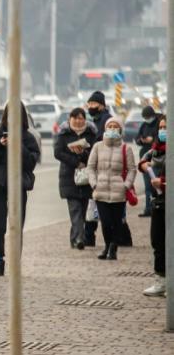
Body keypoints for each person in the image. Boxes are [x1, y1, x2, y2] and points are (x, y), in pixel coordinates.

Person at [0, 102, 41, 276]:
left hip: (18, 186)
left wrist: (18, 146)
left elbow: (31, 163)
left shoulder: (28, 137)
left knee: (16, 227)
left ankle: (15, 264)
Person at [86, 117, 136, 260]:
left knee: (117, 222)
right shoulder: (98, 146)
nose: (112, 129)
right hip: (100, 190)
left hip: (118, 192)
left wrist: (125, 185)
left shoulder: (126, 148)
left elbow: (132, 169)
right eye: (110, 126)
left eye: (115, 126)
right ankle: (107, 245)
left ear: (120, 130)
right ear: (105, 129)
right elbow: (90, 167)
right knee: (106, 222)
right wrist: (94, 183)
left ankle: (113, 247)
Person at [53, 108, 98, 250]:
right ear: (70, 119)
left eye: (81, 118)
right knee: (75, 209)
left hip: (85, 177)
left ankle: (74, 238)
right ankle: (80, 238)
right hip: (69, 177)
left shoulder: (91, 134)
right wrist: (74, 161)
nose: (78, 121)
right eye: (75, 118)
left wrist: (84, 153)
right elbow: (58, 152)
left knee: (83, 209)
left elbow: (95, 152)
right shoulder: (64, 134)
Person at [139, 115, 167, 297]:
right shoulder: (155, 149)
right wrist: (145, 166)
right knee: (157, 240)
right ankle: (161, 280)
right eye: (161, 127)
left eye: (167, 127)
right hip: (159, 202)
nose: (163, 131)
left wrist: (163, 184)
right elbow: (142, 161)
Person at [84, 90, 113, 246]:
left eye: (93, 104)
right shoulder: (93, 120)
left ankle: (114, 238)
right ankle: (89, 236)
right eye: (89, 104)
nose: (90, 107)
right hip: (93, 166)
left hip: (102, 166)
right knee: (92, 203)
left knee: (100, 203)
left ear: (101, 105)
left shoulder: (107, 120)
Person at [136, 106, 161, 218]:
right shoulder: (144, 125)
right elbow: (137, 137)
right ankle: (148, 209)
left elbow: (162, 138)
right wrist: (141, 140)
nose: (147, 119)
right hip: (145, 159)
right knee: (147, 186)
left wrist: (153, 139)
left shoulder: (159, 123)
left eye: (148, 117)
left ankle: (158, 208)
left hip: (156, 159)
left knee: (156, 185)